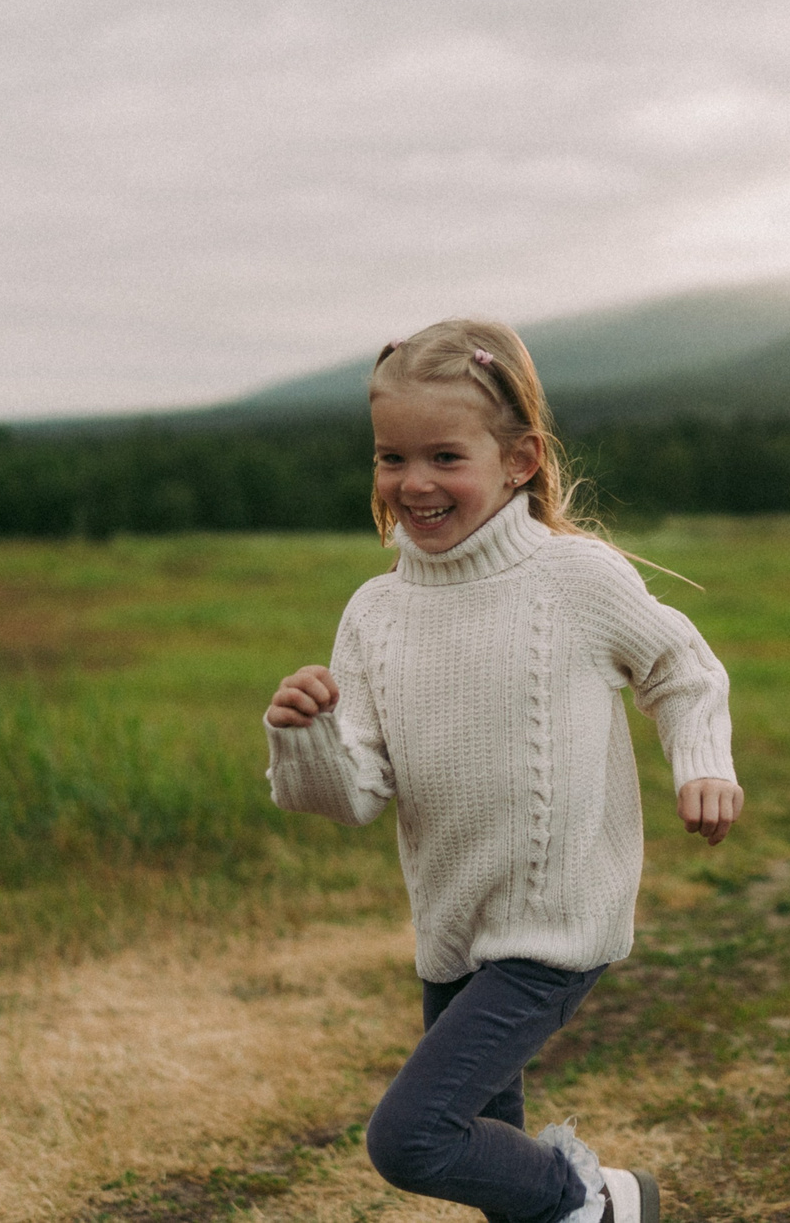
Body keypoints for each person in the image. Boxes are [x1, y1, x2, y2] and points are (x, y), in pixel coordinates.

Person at [264, 319, 741, 1223]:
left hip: (555, 926)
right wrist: (306, 736)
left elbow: (683, 668)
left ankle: (599, 1199)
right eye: (390, 457)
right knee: (492, 1158)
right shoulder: (374, 613)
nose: (413, 482)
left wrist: (702, 763)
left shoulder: (574, 578)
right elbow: (356, 791)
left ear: (519, 458)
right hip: (452, 926)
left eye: (445, 454)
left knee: (413, 1136)